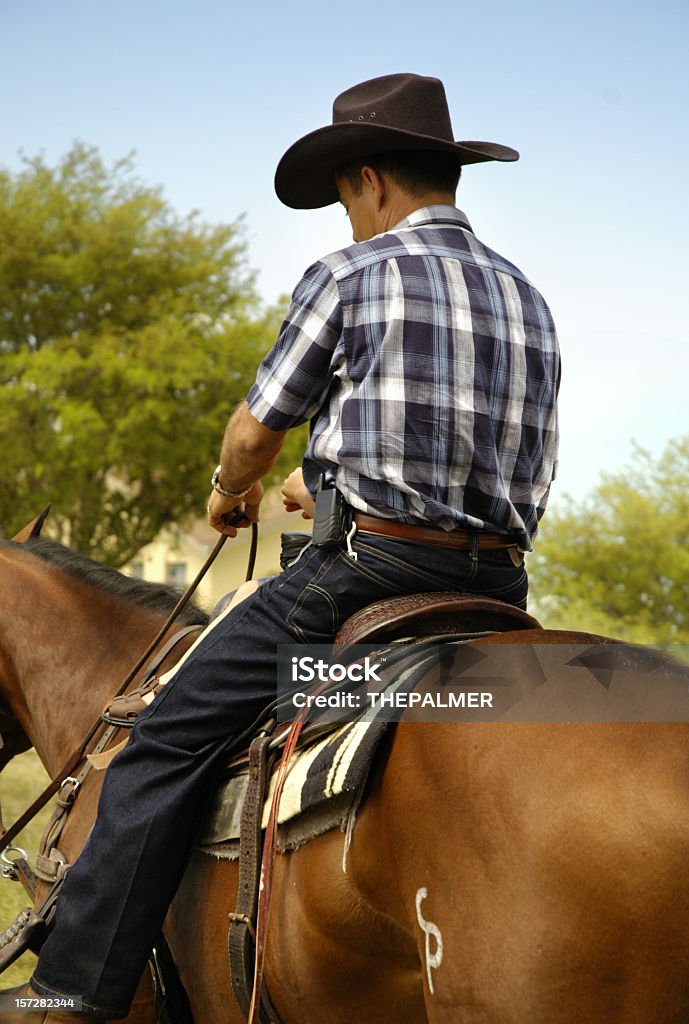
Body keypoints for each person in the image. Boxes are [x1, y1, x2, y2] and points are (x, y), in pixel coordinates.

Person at [1, 72, 559, 1021]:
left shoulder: (350, 275)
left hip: (360, 577)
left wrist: (234, 489)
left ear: (369, 180)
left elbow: (256, 432)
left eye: (345, 196)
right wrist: (332, 484)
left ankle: (68, 993)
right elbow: (470, 457)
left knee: (160, 738)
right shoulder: (525, 297)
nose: (347, 217)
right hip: (496, 589)